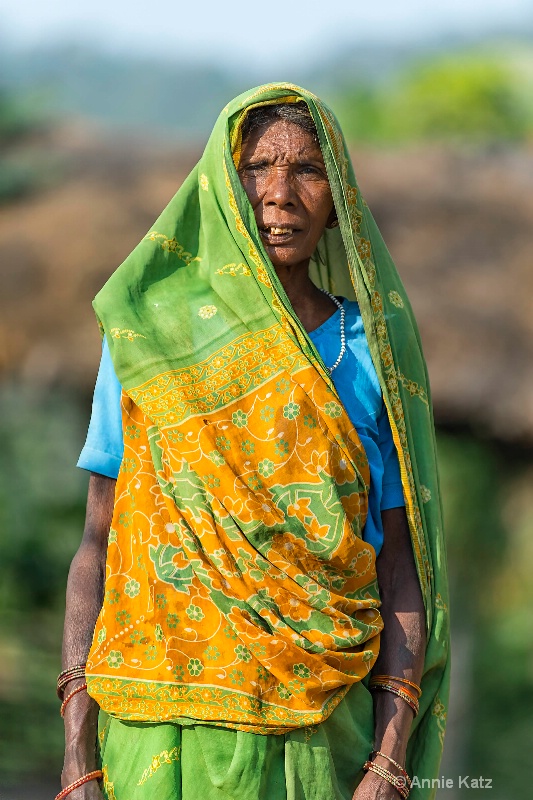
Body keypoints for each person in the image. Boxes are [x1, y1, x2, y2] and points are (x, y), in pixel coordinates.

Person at [58, 84, 450, 800]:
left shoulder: (369, 351)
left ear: (339, 202)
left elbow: (400, 567)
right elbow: (99, 539)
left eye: (306, 169)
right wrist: (76, 749)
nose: (279, 194)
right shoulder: (152, 340)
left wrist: (389, 759)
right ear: (220, 190)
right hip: (154, 730)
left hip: (320, 731)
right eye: (256, 168)